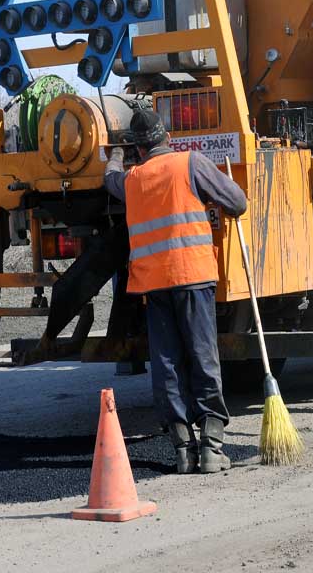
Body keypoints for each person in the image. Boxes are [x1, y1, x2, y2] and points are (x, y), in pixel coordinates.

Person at [104, 109, 247, 474]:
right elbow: (238, 203)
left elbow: (110, 180)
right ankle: (212, 448)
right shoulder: (191, 164)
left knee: (166, 364)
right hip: (193, 278)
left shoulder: (132, 180)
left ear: (138, 149)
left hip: (154, 284)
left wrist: (115, 154)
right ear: (166, 137)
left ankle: (183, 450)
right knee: (202, 356)